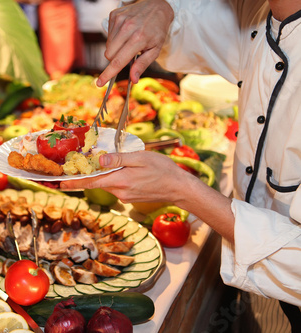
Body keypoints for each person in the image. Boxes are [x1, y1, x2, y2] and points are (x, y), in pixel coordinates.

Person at [60, 0, 301, 331]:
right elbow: (188, 27)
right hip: (259, 286)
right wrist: (161, 9)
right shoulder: (257, 11)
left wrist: (182, 189)